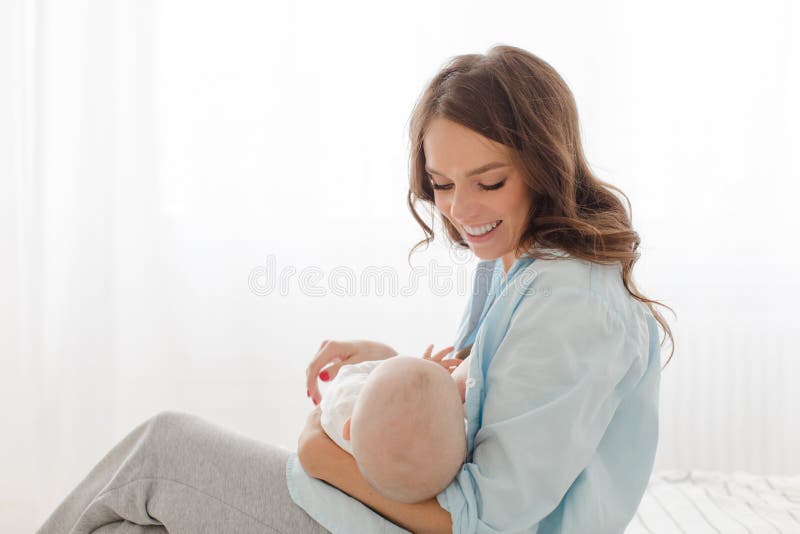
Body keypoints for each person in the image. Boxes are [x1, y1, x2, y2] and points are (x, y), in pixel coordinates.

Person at [36, 43, 674, 534]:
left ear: (543, 163)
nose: (461, 209)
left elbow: (483, 517)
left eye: (489, 180)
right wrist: (391, 369)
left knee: (161, 450)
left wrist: (321, 451)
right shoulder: (515, 262)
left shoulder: (568, 301)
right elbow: (476, 408)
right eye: (442, 183)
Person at [318, 351, 467, 504]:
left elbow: (350, 373)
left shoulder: (344, 400)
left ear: (348, 428)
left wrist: (420, 368)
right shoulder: (439, 457)